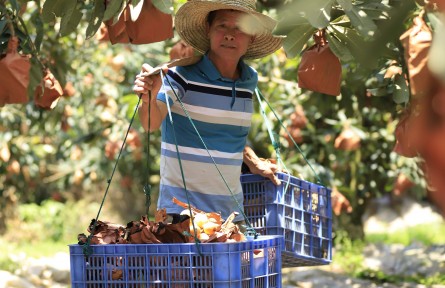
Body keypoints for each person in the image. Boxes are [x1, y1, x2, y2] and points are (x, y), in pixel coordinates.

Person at [133, 0, 285, 222]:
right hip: (181, 214)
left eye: (240, 28)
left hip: (231, 214)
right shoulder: (181, 75)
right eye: (222, 25)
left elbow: (225, 131)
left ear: (251, 36)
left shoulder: (248, 80)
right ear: (208, 30)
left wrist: (253, 160)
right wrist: (147, 99)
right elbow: (150, 123)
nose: (230, 35)